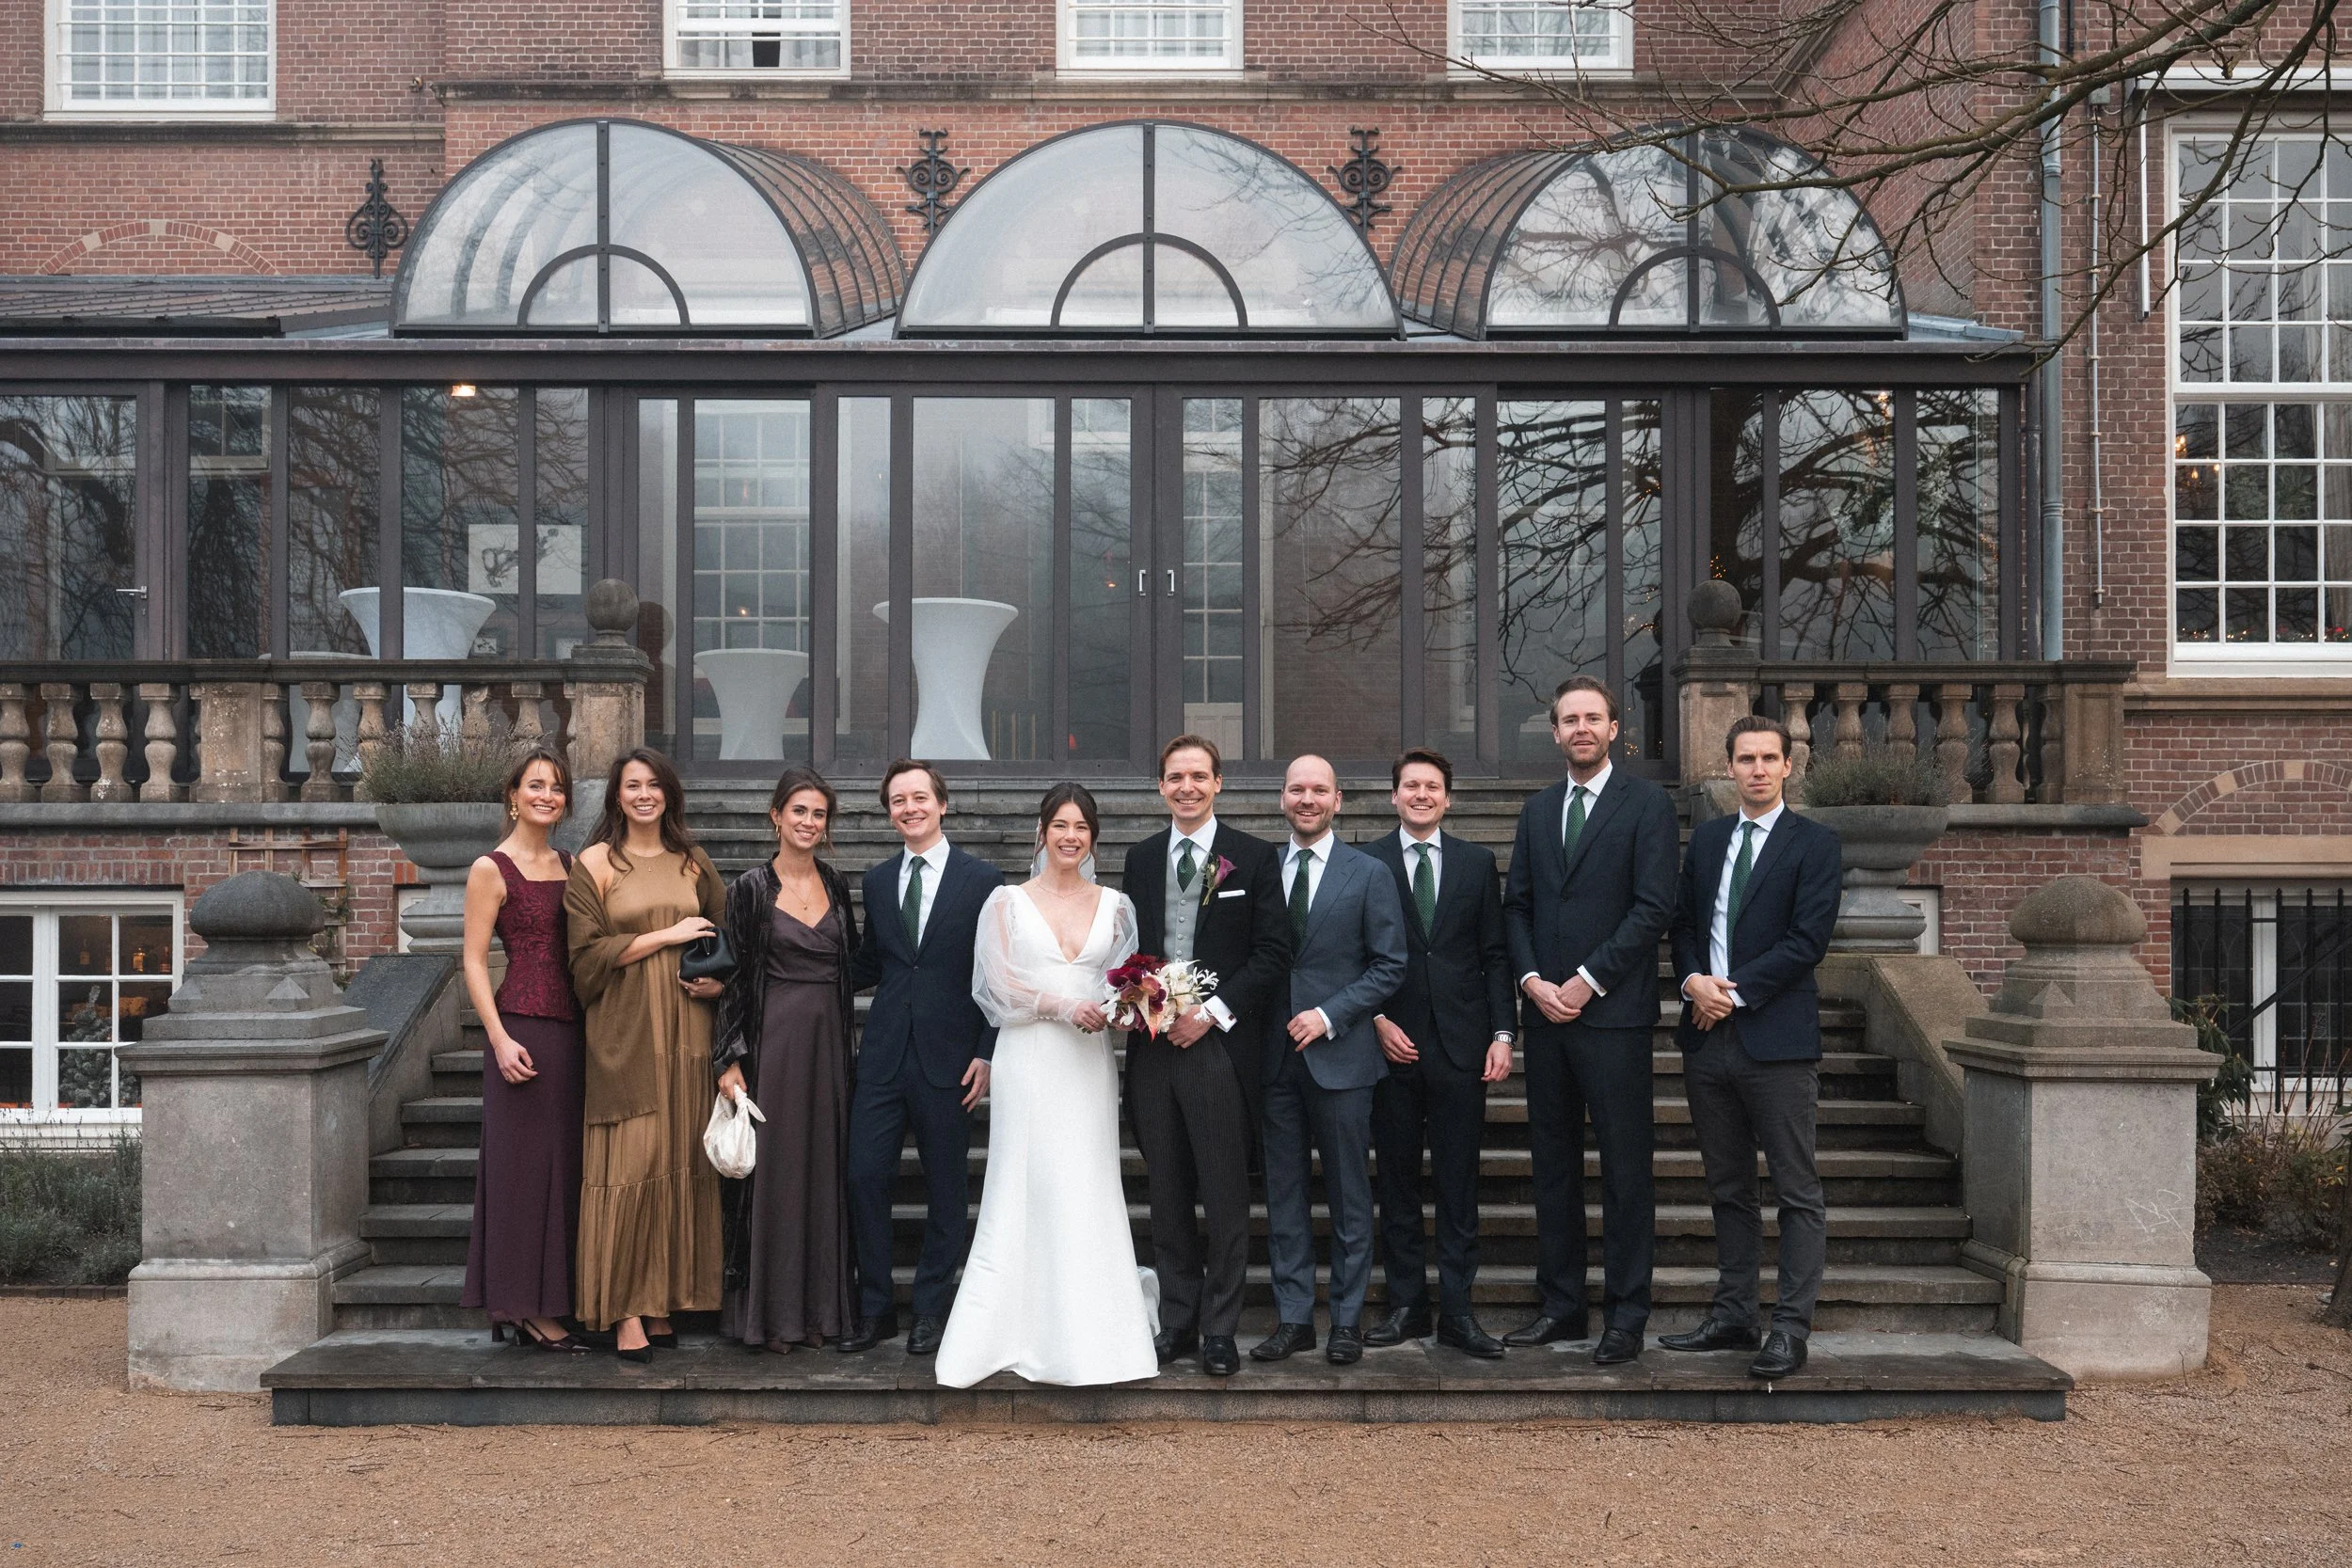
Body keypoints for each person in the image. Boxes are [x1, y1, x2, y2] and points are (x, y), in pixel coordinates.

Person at [936, 784, 1159, 1388]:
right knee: (1022, 1180)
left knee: (1085, 1180)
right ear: (1041, 831)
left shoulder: (1116, 905)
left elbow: (1125, 984)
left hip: (1087, 1064)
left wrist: (1121, 1008)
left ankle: (1093, 1331)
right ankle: (1009, 1326)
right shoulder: (1006, 901)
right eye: (1059, 825)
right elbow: (998, 986)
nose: (1070, 836)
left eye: (1081, 827)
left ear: (1093, 837)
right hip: (1029, 1057)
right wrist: (1063, 1004)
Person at [1659, 715, 1842, 1380]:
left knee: (1796, 1189)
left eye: (1769, 758)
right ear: (1729, 767)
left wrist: (1729, 993)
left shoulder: (1815, 844)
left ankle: (1789, 1328)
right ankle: (1735, 1312)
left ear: (1788, 767)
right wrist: (1690, 981)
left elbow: (1807, 940)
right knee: (1728, 1186)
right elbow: (1682, 925)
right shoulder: (1707, 841)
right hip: (1707, 1043)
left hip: (1777, 1041)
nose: (1758, 769)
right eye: (1746, 759)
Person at [1502, 676, 1678, 1365]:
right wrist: (1531, 981)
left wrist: (1586, 979)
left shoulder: (1648, 805)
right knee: (1553, 1168)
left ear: (1614, 728)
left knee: (1627, 1172)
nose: (1581, 727)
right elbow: (1516, 904)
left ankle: (1626, 1314)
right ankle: (1563, 1307)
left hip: (1614, 1017)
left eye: (1592, 717)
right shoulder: (1539, 810)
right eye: (1569, 718)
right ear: (1555, 731)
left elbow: (1653, 906)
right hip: (1546, 1017)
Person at [1120, 735, 1291, 1379]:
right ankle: (1178, 1320)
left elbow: (1273, 953)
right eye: (1174, 777)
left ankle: (1221, 1328)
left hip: (1219, 1047)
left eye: (1198, 775)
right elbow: (1132, 946)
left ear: (1219, 782)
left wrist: (1211, 1014)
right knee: (1165, 1193)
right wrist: (1139, 999)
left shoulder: (1252, 856)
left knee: (1223, 1195)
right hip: (1153, 1049)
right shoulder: (1139, 859)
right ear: (1161, 786)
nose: (1186, 786)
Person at [564, 747, 729, 1363]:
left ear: (668, 794)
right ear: (616, 795)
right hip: (627, 1033)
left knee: (679, 1163)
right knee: (630, 1168)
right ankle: (625, 1310)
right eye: (632, 784)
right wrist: (666, 934)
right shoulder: (596, 863)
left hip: (688, 1032)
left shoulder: (693, 862)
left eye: (654, 784)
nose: (643, 794)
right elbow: (583, 959)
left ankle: (662, 1301)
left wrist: (719, 982)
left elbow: (724, 939)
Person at [843, 760, 1005, 1357]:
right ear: (889, 811)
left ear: (943, 804)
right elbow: (870, 963)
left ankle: (932, 1311)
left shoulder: (983, 880)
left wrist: (988, 1054)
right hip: (882, 1057)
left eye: (919, 798)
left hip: (951, 1060)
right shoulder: (880, 880)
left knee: (944, 1189)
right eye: (897, 800)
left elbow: (998, 976)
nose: (908, 808)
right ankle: (876, 1308)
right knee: (863, 1177)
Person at [1251, 755, 1408, 1368]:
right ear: (1283, 797)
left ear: (1338, 799)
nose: (1307, 798)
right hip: (1272, 1058)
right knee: (1284, 1194)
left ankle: (1346, 1319)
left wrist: (1330, 1014)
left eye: (1319, 789)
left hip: (1342, 1056)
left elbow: (1389, 964)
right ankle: (1293, 1318)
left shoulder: (1367, 873)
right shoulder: (1259, 867)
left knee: (1348, 1195)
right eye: (1297, 789)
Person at [1361, 748, 1516, 1358]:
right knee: (1397, 1182)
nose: (1421, 794)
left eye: (1432, 786)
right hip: (1390, 1045)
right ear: (1394, 795)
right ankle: (1406, 1306)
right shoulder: (1365, 861)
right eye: (1410, 785)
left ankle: (1458, 1311)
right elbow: (1350, 951)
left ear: (1447, 798)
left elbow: (1495, 954)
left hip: (1462, 1047)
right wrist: (1372, 1020)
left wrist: (1503, 1034)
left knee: (1458, 1184)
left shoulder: (1478, 864)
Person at [714, 767, 860, 1354]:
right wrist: (729, 1059)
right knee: (775, 1175)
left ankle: (822, 1312)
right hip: (772, 1044)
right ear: (776, 816)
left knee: (825, 1171)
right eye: (798, 811)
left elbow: (854, 965)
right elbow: (733, 981)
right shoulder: (748, 888)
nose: (808, 822)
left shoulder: (838, 882)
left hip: (829, 1046)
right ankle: (770, 1318)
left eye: (818, 814)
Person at [458, 746, 590, 1354]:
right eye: (536, 784)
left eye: (557, 786)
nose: (547, 794)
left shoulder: (570, 862)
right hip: (522, 1031)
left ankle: (554, 1297)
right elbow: (473, 960)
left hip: (573, 1031)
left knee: (565, 1170)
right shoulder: (491, 867)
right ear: (513, 794)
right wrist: (499, 1037)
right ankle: (521, 1305)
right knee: (520, 1173)